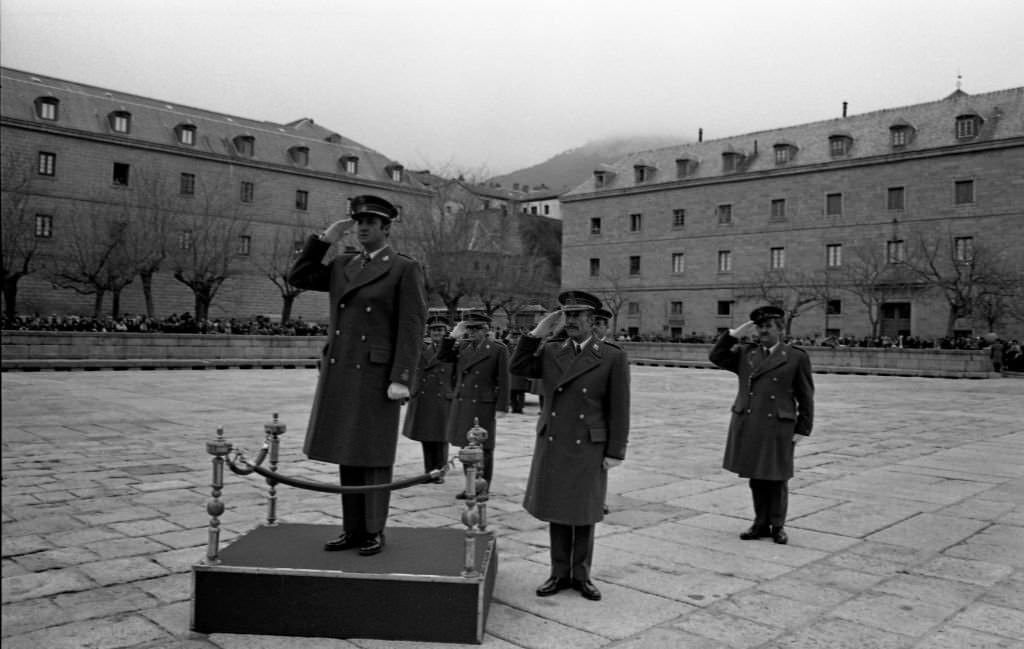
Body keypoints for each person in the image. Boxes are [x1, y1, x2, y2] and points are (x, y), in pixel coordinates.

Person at [288, 194, 427, 556]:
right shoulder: (342, 264)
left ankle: (373, 530)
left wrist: (402, 377)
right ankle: (352, 529)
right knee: (347, 452)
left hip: (378, 376)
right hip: (342, 370)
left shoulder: (403, 268)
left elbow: (411, 328)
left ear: (386, 228)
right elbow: (299, 275)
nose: (363, 228)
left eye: (370, 223)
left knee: (373, 454)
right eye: (358, 222)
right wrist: (324, 240)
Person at [510, 290, 630, 602]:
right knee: (558, 509)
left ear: (594, 321)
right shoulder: (551, 351)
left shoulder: (612, 356)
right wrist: (537, 332)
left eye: (578, 315)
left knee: (584, 511)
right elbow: (518, 367)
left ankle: (582, 575)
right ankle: (559, 572)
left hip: (589, 444)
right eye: (567, 314)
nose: (572, 320)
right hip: (556, 440)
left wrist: (615, 451)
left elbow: (619, 407)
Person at [708, 305, 814, 545]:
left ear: (780, 329)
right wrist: (734, 334)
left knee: (777, 477)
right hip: (751, 422)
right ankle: (759, 523)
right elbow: (716, 357)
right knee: (756, 476)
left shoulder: (796, 356)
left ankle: (777, 526)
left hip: (779, 425)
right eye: (759, 327)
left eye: (768, 327)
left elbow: (806, 395)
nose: (762, 332)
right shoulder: (746, 353)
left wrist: (802, 428)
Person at [439, 312, 509, 498]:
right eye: (469, 328)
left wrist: (502, 406)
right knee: (466, 446)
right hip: (463, 401)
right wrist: (453, 335)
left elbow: (503, 379)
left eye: (476, 328)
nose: (471, 332)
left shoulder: (497, 349)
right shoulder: (462, 346)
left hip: (483, 404)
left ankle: (483, 488)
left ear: (486, 330)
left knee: (484, 449)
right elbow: (443, 357)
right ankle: (470, 486)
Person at [402, 315, 455, 474]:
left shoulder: (452, 349)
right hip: (423, 396)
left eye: (440, 330)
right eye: (433, 330)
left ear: (446, 332)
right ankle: (429, 469)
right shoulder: (422, 348)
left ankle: (440, 469)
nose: (436, 333)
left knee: (441, 437)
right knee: (426, 435)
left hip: (442, 396)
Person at [507, 330, 531, 413]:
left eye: (517, 338)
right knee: (512, 392)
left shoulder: (524, 348)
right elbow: (504, 342)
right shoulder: (508, 347)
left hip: (521, 372)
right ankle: (514, 407)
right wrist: (508, 337)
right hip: (511, 373)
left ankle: (520, 408)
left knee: (521, 392)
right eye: (514, 338)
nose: (515, 339)